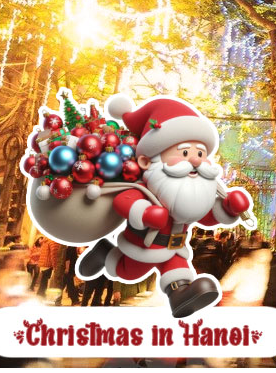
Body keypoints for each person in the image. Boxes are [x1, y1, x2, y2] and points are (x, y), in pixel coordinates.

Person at [74, 94, 253, 319]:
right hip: (142, 247)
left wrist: (227, 209)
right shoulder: (144, 188)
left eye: (200, 153)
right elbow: (123, 201)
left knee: (177, 270)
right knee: (128, 272)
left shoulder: (194, 192)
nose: (196, 161)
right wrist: (145, 213)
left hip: (174, 248)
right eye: (185, 153)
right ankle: (105, 254)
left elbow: (205, 216)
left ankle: (181, 296)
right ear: (147, 161)